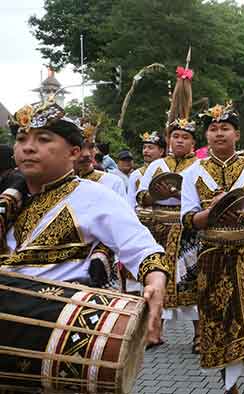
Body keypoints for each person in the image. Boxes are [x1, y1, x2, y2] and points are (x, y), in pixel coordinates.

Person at [4, 101, 168, 348]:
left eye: (43, 139)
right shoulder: (8, 199)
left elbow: (143, 249)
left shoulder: (95, 196)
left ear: (73, 152)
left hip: (59, 332)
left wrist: (155, 284)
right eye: (21, 139)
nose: (28, 148)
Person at [179, 102, 244, 394]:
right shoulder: (193, 174)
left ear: (237, 134)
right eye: (213, 128)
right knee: (218, 324)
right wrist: (212, 212)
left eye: (225, 128)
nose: (219, 133)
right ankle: (230, 391)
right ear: (206, 135)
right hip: (211, 259)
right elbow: (187, 219)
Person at [137, 118, 199, 350]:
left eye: (185, 137)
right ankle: (154, 332)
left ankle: (199, 335)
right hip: (158, 231)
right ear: (169, 140)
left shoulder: (200, 167)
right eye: (176, 136)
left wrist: (180, 192)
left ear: (193, 142)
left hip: (187, 232)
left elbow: (205, 199)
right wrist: (157, 194)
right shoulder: (157, 166)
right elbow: (141, 196)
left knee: (191, 280)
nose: (179, 140)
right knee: (157, 278)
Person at [75, 121, 126, 199]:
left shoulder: (113, 183)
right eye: (80, 147)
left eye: (91, 147)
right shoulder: (54, 182)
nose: (87, 154)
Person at [128, 132, 166, 209]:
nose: (145, 151)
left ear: (161, 151)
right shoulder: (136, 174)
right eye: (144, 147)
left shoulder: (167, 171)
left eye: (150, 148)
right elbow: (130, 202)